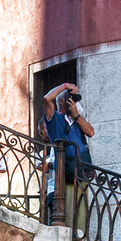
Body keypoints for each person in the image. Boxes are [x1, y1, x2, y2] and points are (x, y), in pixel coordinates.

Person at [43, 81, 95, 222]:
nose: (75, 102)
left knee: (81, 217)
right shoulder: (55, 120)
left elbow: (91, 132)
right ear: (62, 101)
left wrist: (76, 115)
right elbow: (47, 98)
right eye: (71, 99)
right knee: (68, 217)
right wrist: (65, 86)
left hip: (82, 173)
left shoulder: (77, 120)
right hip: (65, 175)